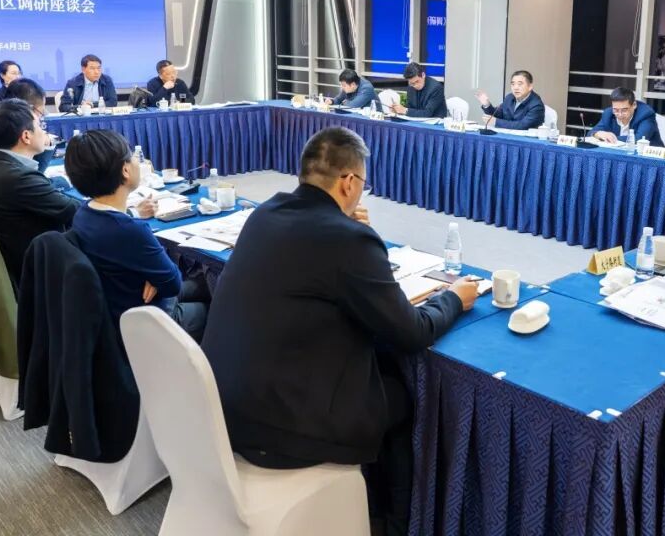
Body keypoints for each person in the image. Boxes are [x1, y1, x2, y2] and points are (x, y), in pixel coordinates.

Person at [201, 127, 477, 532]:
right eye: (363, 183)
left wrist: (350, 228)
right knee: (403, 397)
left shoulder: (266, 213)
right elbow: (412, 332)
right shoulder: (348, 239)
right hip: (284, 429)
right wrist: (454, 298)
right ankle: (394, 522)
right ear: (349, 182)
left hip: (222, 407)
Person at [65, 129, 207, 341]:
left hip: (119, 302)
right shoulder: (131, 230)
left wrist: (154, 277)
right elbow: (172, 284)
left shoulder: (83, 213)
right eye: (132, 156)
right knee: (217, 306)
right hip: (150, 318)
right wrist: (157, 278)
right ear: (125, 170)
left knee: (203, 284)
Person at [0, 99, 82, 289]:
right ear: (26, 136)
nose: (44, 132)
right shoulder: (17, 177)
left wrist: (47, 147)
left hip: (22, 250)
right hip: (42, 263)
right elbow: (73, 211)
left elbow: (36, 178)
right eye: (40, 126)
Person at [0, 78, 56, 190]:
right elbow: (26, 179)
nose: (40, 119)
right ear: (28, 109)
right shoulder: (0, 128)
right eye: (40, 113)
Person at [589, 87, 663, 146]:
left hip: (649, 156)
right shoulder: (608, 114)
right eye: (616, 110)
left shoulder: (646, 114)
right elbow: (590, 133)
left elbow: (638, 139)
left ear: (634, 105)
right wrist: (598, 134)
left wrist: (609, 138)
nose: (620, 114)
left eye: (624, 110)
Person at [474, 70, 546, 130]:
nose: (515, 87)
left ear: (530, 86)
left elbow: (523, 126)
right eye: (513, 84)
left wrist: (496, 122)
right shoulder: (509, 98)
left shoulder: (536, 105)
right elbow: (498, 114)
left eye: (520, 84)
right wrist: (487, 104)